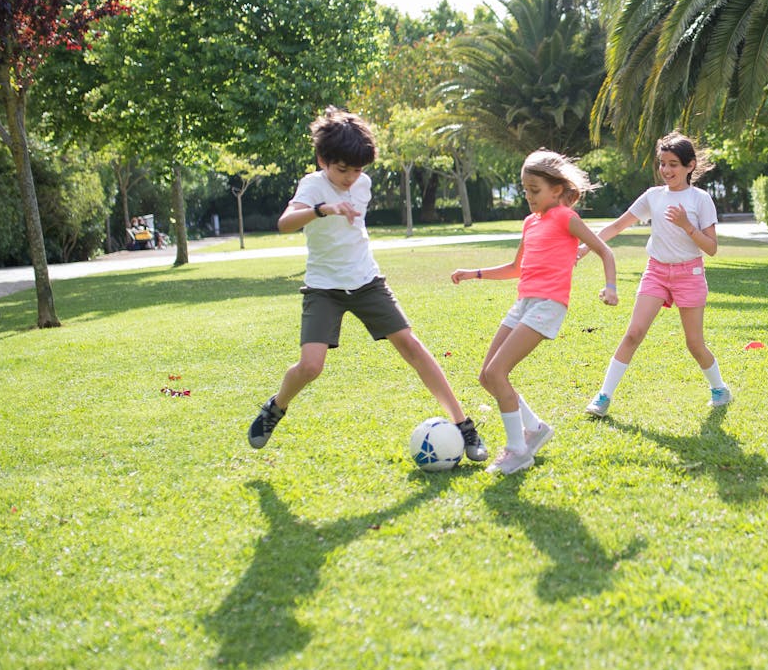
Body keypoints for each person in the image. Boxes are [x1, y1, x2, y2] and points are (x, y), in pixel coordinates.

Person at [249, 107, 487, 462]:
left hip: (366, 281)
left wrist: (348, 195)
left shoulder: (364, 183)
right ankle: (275, 407)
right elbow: (284, 223)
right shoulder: (312, 185)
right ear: (322, 159)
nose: (349, 178)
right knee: (311, 366)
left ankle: (464, 425)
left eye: (357, 170)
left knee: (411, 346)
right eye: (342, 169)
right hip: (323, 287)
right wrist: (322, 209)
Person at [451, 149, 620, 475]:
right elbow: (516, 268)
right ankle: (535, 429)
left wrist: (610, 287)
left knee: (497, 373)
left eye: (534, 190)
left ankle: (518, 450)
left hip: (548, 305)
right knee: (487, 376)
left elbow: (604, 250)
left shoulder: (566, 218)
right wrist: (475, 273)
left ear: (556, 190)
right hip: (524, 303)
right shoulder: (530, 223)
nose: (527, 196)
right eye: (525, 189)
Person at [578, 132, 731, 417]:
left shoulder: (700, 199)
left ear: (690, 165)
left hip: (690, 274)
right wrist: (588, 247)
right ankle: (603, 396)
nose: (666, 170)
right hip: (656, 272)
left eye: (673, 164)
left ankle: (720, 388)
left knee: (695, 344)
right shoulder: (653, 196)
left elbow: (711, 248)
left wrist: (687, 225)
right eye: (662, 163)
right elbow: (617, 226)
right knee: (634, 333)